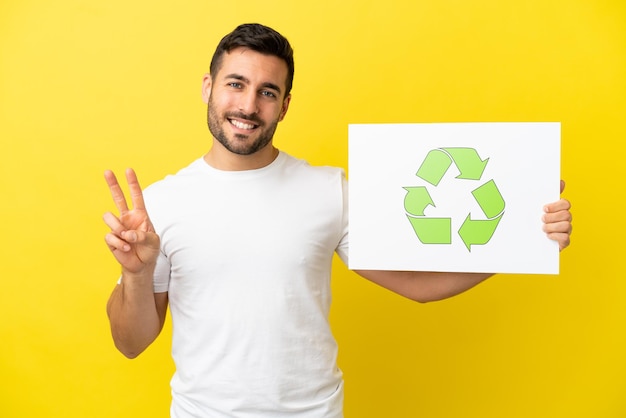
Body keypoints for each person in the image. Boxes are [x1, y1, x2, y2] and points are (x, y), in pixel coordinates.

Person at [103, 23, 573, 418]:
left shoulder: (330, 190)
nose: (248, 106)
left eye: (268, 92)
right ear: (209, 86)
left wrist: (521, 240)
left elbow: (416, 283)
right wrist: (136, 274)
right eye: (236, 84)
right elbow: (130, 343)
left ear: (285, 104)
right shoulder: (161, 204)